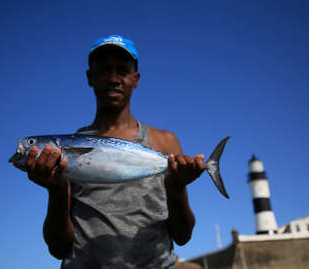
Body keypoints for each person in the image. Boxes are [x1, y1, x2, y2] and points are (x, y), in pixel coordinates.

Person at [21, 35, 208, 268]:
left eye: (122, 71)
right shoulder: (66, 152)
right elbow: (58, 247)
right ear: (90, 78)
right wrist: (57, 190)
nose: (113, 79)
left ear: (135, 79)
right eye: (103, 70)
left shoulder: (165, 142)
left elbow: (182, 236)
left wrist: (176, 188)